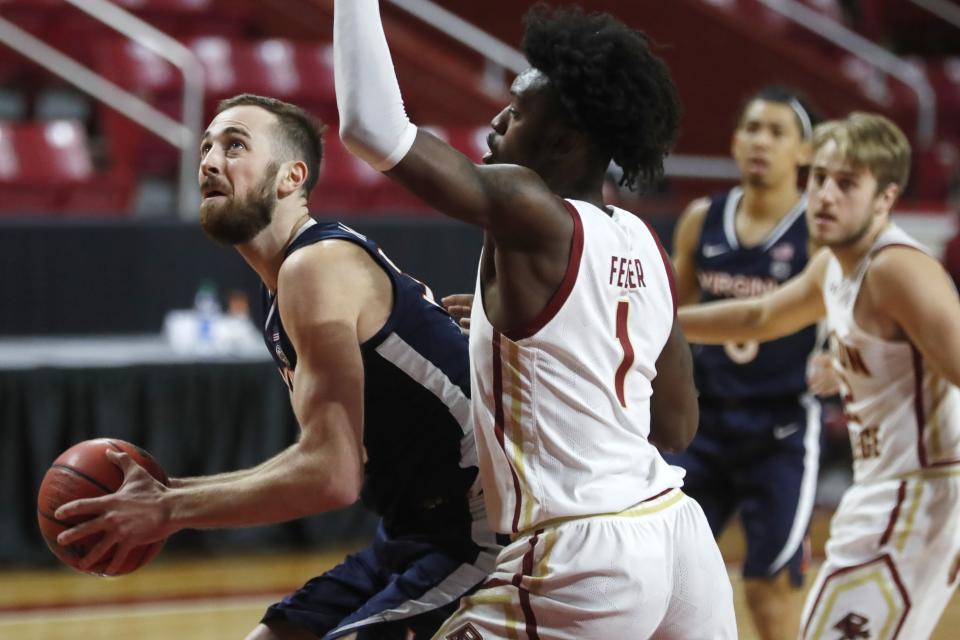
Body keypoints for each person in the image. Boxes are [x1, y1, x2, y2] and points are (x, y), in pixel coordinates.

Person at [333, 1, 737, 637]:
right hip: (678, 538)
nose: (495, 121)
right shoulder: (643, 240)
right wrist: (529, 353)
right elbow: (677, 423)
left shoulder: (529, 206)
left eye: (516, 112)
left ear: (565, 140)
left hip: (583, 552)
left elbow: (371, 130)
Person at [53, 93, 500, 640]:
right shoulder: (282, 294)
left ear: (292, 177)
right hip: (413, 532)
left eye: (235, 145)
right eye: (206, 148)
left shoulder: (316, 266)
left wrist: (171, 507)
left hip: (484, 535)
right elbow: (327, 459)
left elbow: (331, 476)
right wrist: (165, 496)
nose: (210, 162)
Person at [678, 112, 960, 639]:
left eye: (847, 183)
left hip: (922, 496)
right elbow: (759, 317)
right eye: (820, 179)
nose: (825, 196)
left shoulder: (898, 269)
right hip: (883, 490)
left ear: (886, 198)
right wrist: (658, 326)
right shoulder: (834, 264)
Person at [667, 86, 822, 640]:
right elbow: (671, 322)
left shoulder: (818, 232)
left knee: (767, 587)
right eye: (753, 128)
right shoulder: (701, 218)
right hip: (702, 425)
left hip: (778, 428)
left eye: (778, 132)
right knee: (670, 580)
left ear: (805, 153)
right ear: (734, 142)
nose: (762, 141)